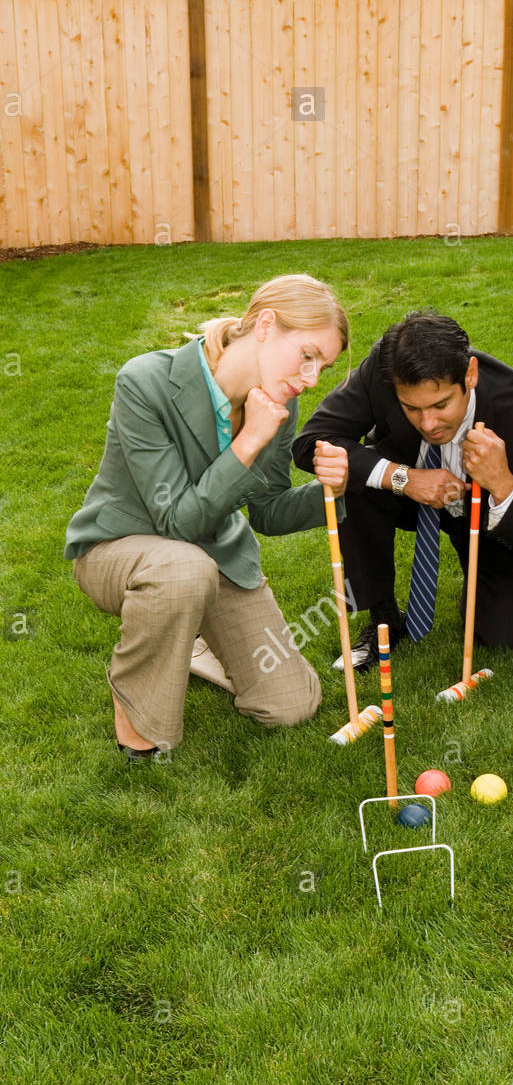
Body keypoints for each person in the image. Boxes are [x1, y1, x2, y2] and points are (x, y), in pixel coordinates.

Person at [65, 273, 350, 760]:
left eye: (322, 365)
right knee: (183, 568)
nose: (311, 378)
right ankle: (138, 722)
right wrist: (249, 441)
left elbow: (268, 510)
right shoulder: (145, 383)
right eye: (307, 355)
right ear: (264, 325)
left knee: (290, 705)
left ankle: (189, 643)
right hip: (117, 549)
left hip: (213, 559)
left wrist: (334, 492)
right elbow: (176, 522)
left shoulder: (281, 400)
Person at [292, 311, 513, 673]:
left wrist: (502, 484)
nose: (429, 424)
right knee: (350, 474)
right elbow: (310, 443)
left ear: (469, 374)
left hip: (486, 518)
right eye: (412, 408)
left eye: (441, 405)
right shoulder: (383, 369)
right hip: (408, 494)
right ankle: (383, 619)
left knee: (511, 638)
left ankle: (490, 586)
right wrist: (402, 477)